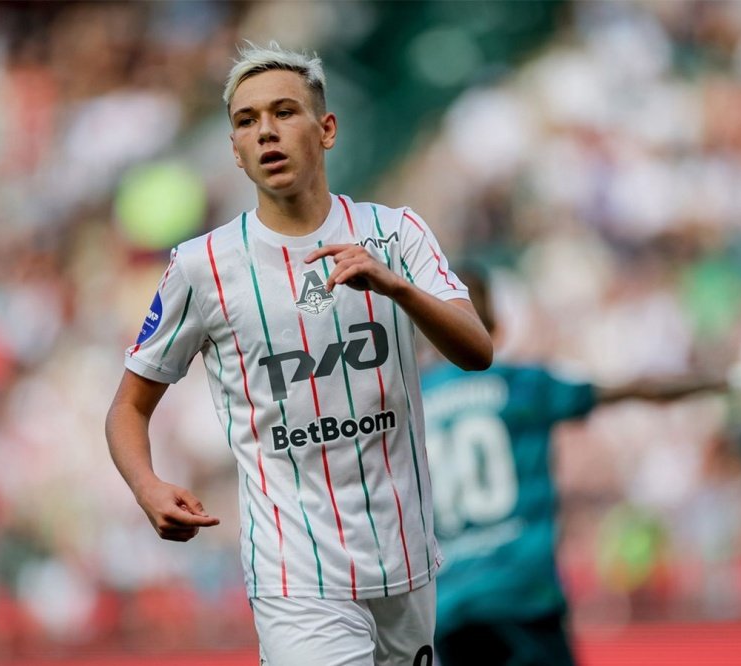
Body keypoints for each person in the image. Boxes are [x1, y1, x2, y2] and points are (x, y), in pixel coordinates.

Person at [105, 42, 492, 666]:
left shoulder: (397, 233)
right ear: (235, 150)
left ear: (327, 129)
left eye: (284, 112)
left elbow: (477, 351)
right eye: (247, 121)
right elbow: (128, 406)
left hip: (406, 556)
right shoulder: (202, 267)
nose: (266, 132)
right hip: (294, 571)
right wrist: (146, 487)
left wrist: (396, 287)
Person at [421, 269, 741, 666]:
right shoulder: (523, 386)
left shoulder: (418, 400)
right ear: (495, 324)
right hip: (521, 593)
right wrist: (737, 382)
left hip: (451, 606)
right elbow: (641, 389)